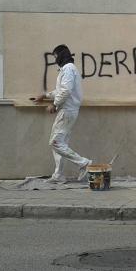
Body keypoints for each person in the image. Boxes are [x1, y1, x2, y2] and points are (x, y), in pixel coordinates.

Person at [34, 44, 92, 184]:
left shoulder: (68, 69)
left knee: (55, 143)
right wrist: (45, 95)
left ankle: (84, 163)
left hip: (67, 111)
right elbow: (61, 90)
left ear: (60, 56)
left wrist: (54, 104)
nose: (55, 59)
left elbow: (65, 91)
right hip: (68, 110)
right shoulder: (68, 69)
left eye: (55, 57)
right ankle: (58, 174)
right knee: (61, 143)